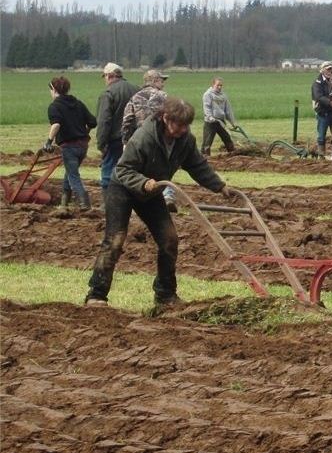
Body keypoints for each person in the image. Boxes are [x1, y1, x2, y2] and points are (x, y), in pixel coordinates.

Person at [85, 96, 237, 309]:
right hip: (123, 189)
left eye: (186, 126)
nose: (183, 130)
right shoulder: (144, 137)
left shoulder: (185, 140)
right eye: (179, 125)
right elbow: (122, 169)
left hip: (152, 191)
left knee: (169, 240)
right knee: (116, 239)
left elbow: (197, 166)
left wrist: (220, 187)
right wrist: (143, 181)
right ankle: (96, 294)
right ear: (166, 118)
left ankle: (165, 295)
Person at [121, 68, 177, 210]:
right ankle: (168, 195)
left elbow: (127, 121)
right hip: (162, 139)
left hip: (140, 140)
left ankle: (141, 199)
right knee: (164, 167)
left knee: (140, 169)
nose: (163, 83)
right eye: (161, 80)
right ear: (154, 81)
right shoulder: (164, 96)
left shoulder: (134, 98)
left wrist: (126, 142)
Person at [45, 75, 97, 214]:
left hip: (69, 147)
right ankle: (64, 203)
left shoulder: (54, 106)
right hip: (83, 146)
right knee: (69, 172)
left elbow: (56, 124)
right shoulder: (78, 103)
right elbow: (93, 122)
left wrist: (48, 142)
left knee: (73, 176)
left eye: (50, 89)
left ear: (54, 89)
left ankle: (85, 204)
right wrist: (84, 132)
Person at [94, 63, 137, 192]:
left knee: (108, 173)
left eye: (105, 76)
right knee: (131, 171)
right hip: (135, 138)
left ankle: (109, 205)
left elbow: (103, 121)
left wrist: (101, 144)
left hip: (115, 140)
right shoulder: (137, 89)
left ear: (110, 76)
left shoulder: (108, 94)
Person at [202, 76, 237, 155]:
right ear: (213, 85)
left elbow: (228, 110)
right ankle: (205, 158)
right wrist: (210, 117)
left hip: (220, 121)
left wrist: (233, 123)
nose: (220, 87)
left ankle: (233, 155)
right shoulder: (208, 94)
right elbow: (207, 107)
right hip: (210, 122)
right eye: (218, 85)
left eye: (221, 85)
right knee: (207, 142)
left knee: (227, 138)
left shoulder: (223, 95)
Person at [311, 61, 332, 157]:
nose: (330, 71)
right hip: (323, 113)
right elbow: (319, 96)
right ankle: (321, 155)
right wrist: (330, 103)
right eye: (328, 69)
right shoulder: (317, 83)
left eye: (331, 69)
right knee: (322, 136)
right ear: (322, 70)